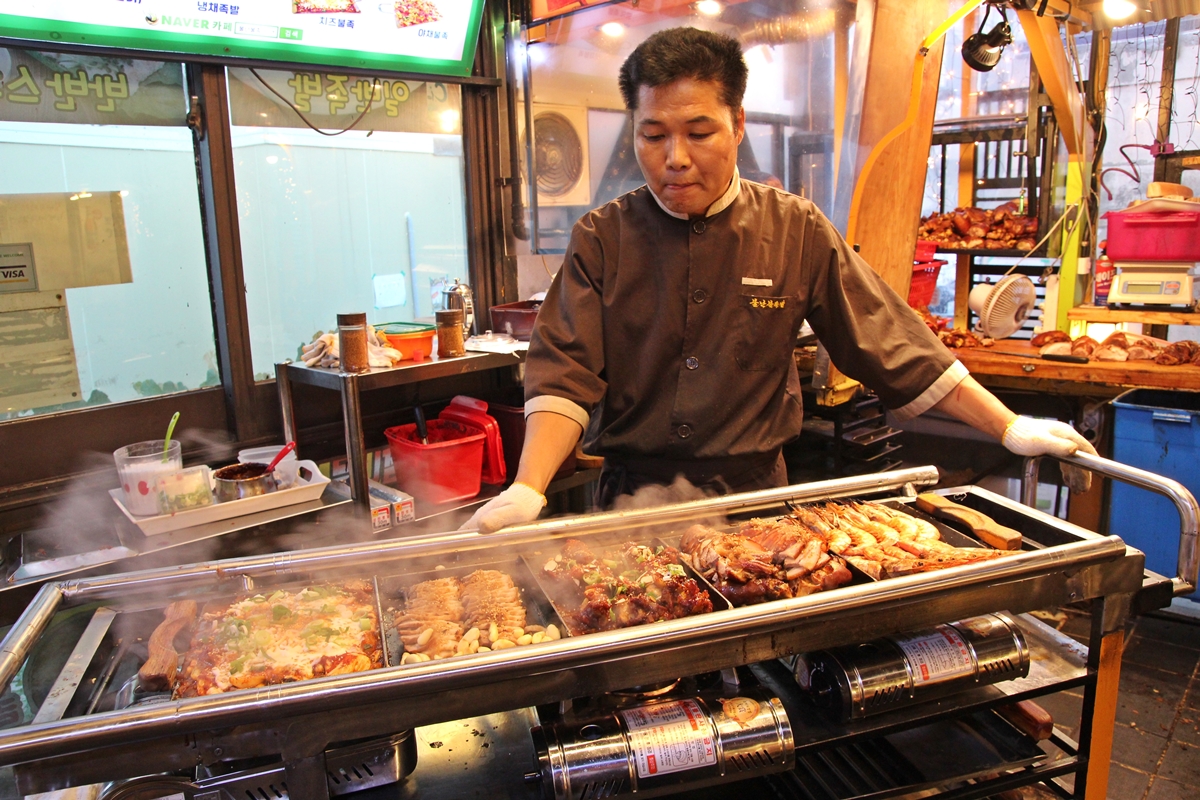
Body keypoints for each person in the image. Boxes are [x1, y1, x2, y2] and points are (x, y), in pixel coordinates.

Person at [463, 27, 1094, 534]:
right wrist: (528, 486)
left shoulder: (794, 229)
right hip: (636, 503)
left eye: (698, 132)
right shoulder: (604, 237)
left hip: (755, 502)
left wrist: (1009, 426)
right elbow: (565, 367)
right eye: (653, 135)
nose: (675, 157)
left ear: (737, 123)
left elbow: (889, 342)